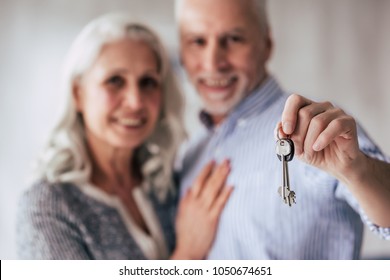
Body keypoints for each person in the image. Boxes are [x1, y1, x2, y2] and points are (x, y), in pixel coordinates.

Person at [175, 0, 390, 259]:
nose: (213, 62)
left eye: (233, 38)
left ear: (267, 45)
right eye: (197, 41)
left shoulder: (316, 129)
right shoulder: (189, 154)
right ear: (181, 52)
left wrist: (358, 171)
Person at [16, 13, 233, 260]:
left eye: (148, 82)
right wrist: (189, 254)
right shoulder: (48, 207)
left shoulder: (164, 186)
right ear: (78, 94)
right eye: (115, 81)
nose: (135, 101)